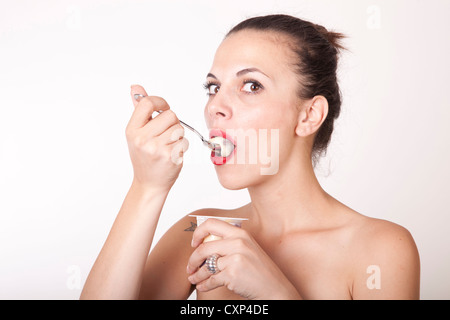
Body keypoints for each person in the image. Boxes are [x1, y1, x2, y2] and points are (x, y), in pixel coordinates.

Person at [81, 14, 420, 300]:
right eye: (214, 88)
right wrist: (147, 188)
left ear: (309, 116)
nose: (215, 107)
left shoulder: (381, 249)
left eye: (251, 86)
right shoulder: (199, 233)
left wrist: (277, 294)